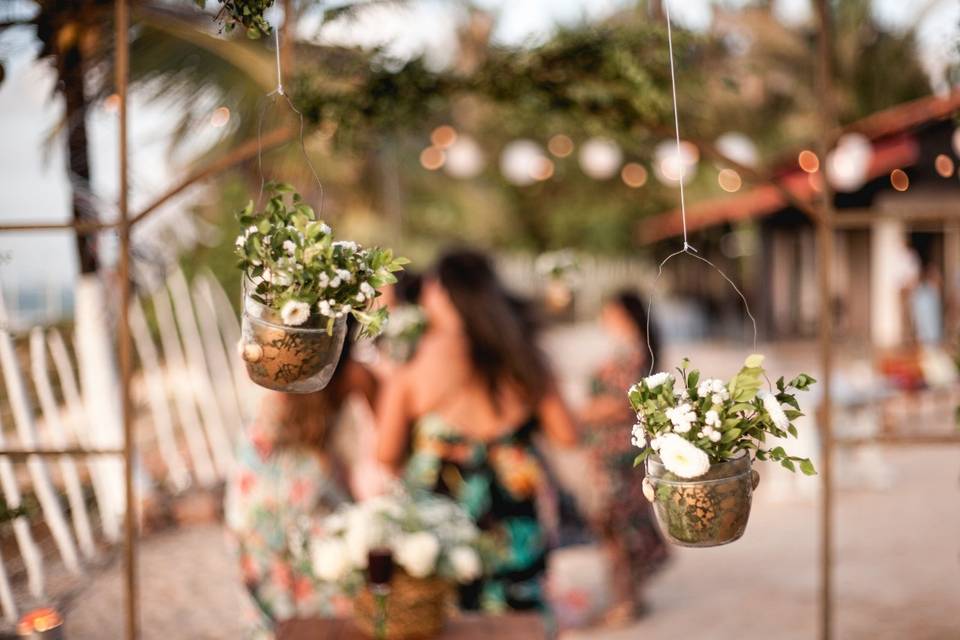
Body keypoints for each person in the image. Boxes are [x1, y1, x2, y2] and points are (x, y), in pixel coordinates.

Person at [376, 248, 578, 613]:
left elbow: (385, 453)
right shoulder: (522, 354)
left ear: (439, 291)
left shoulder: (416, 359)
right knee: (520, 620)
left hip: (442, 527)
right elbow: (567, 436)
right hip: (517, 522)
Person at [226, 323, 376, 639]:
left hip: (261, 493)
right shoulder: (354, 372)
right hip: (291, 493)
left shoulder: (275, 359)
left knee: (281, 604)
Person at [579, 291, 668, 625]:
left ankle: (625, 600)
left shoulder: (632, 355)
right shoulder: (630, 352)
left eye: (608, 312)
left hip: (617, 452)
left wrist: (583, 415)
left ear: (623, 315)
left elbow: (622, 402)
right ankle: (628, 596)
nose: (604, 318)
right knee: (617, 525)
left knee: (618, 525)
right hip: (611, 451)